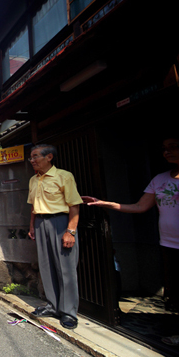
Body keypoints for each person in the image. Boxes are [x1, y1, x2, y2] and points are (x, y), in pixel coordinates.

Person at [82, 137, 179, 327]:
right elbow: (139, 206)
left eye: (173, 147)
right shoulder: (160, 179)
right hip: (168, 242)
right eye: (164, 148)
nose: (167, 151)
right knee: (175, 289)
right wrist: (103, 203)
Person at [27, 144, 83, 329]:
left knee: (65, 268)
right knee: (46, 266)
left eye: (35, 156)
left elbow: (74, 205)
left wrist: (70, 231)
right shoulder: (33, 180)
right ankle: (52, 305)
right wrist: (32, 226)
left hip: (60, 222)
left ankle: (68, 312)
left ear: (49, 157)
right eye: (31, 157)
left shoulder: (64, 176)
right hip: (40, 223)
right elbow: (33, 206)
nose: (32, 160)